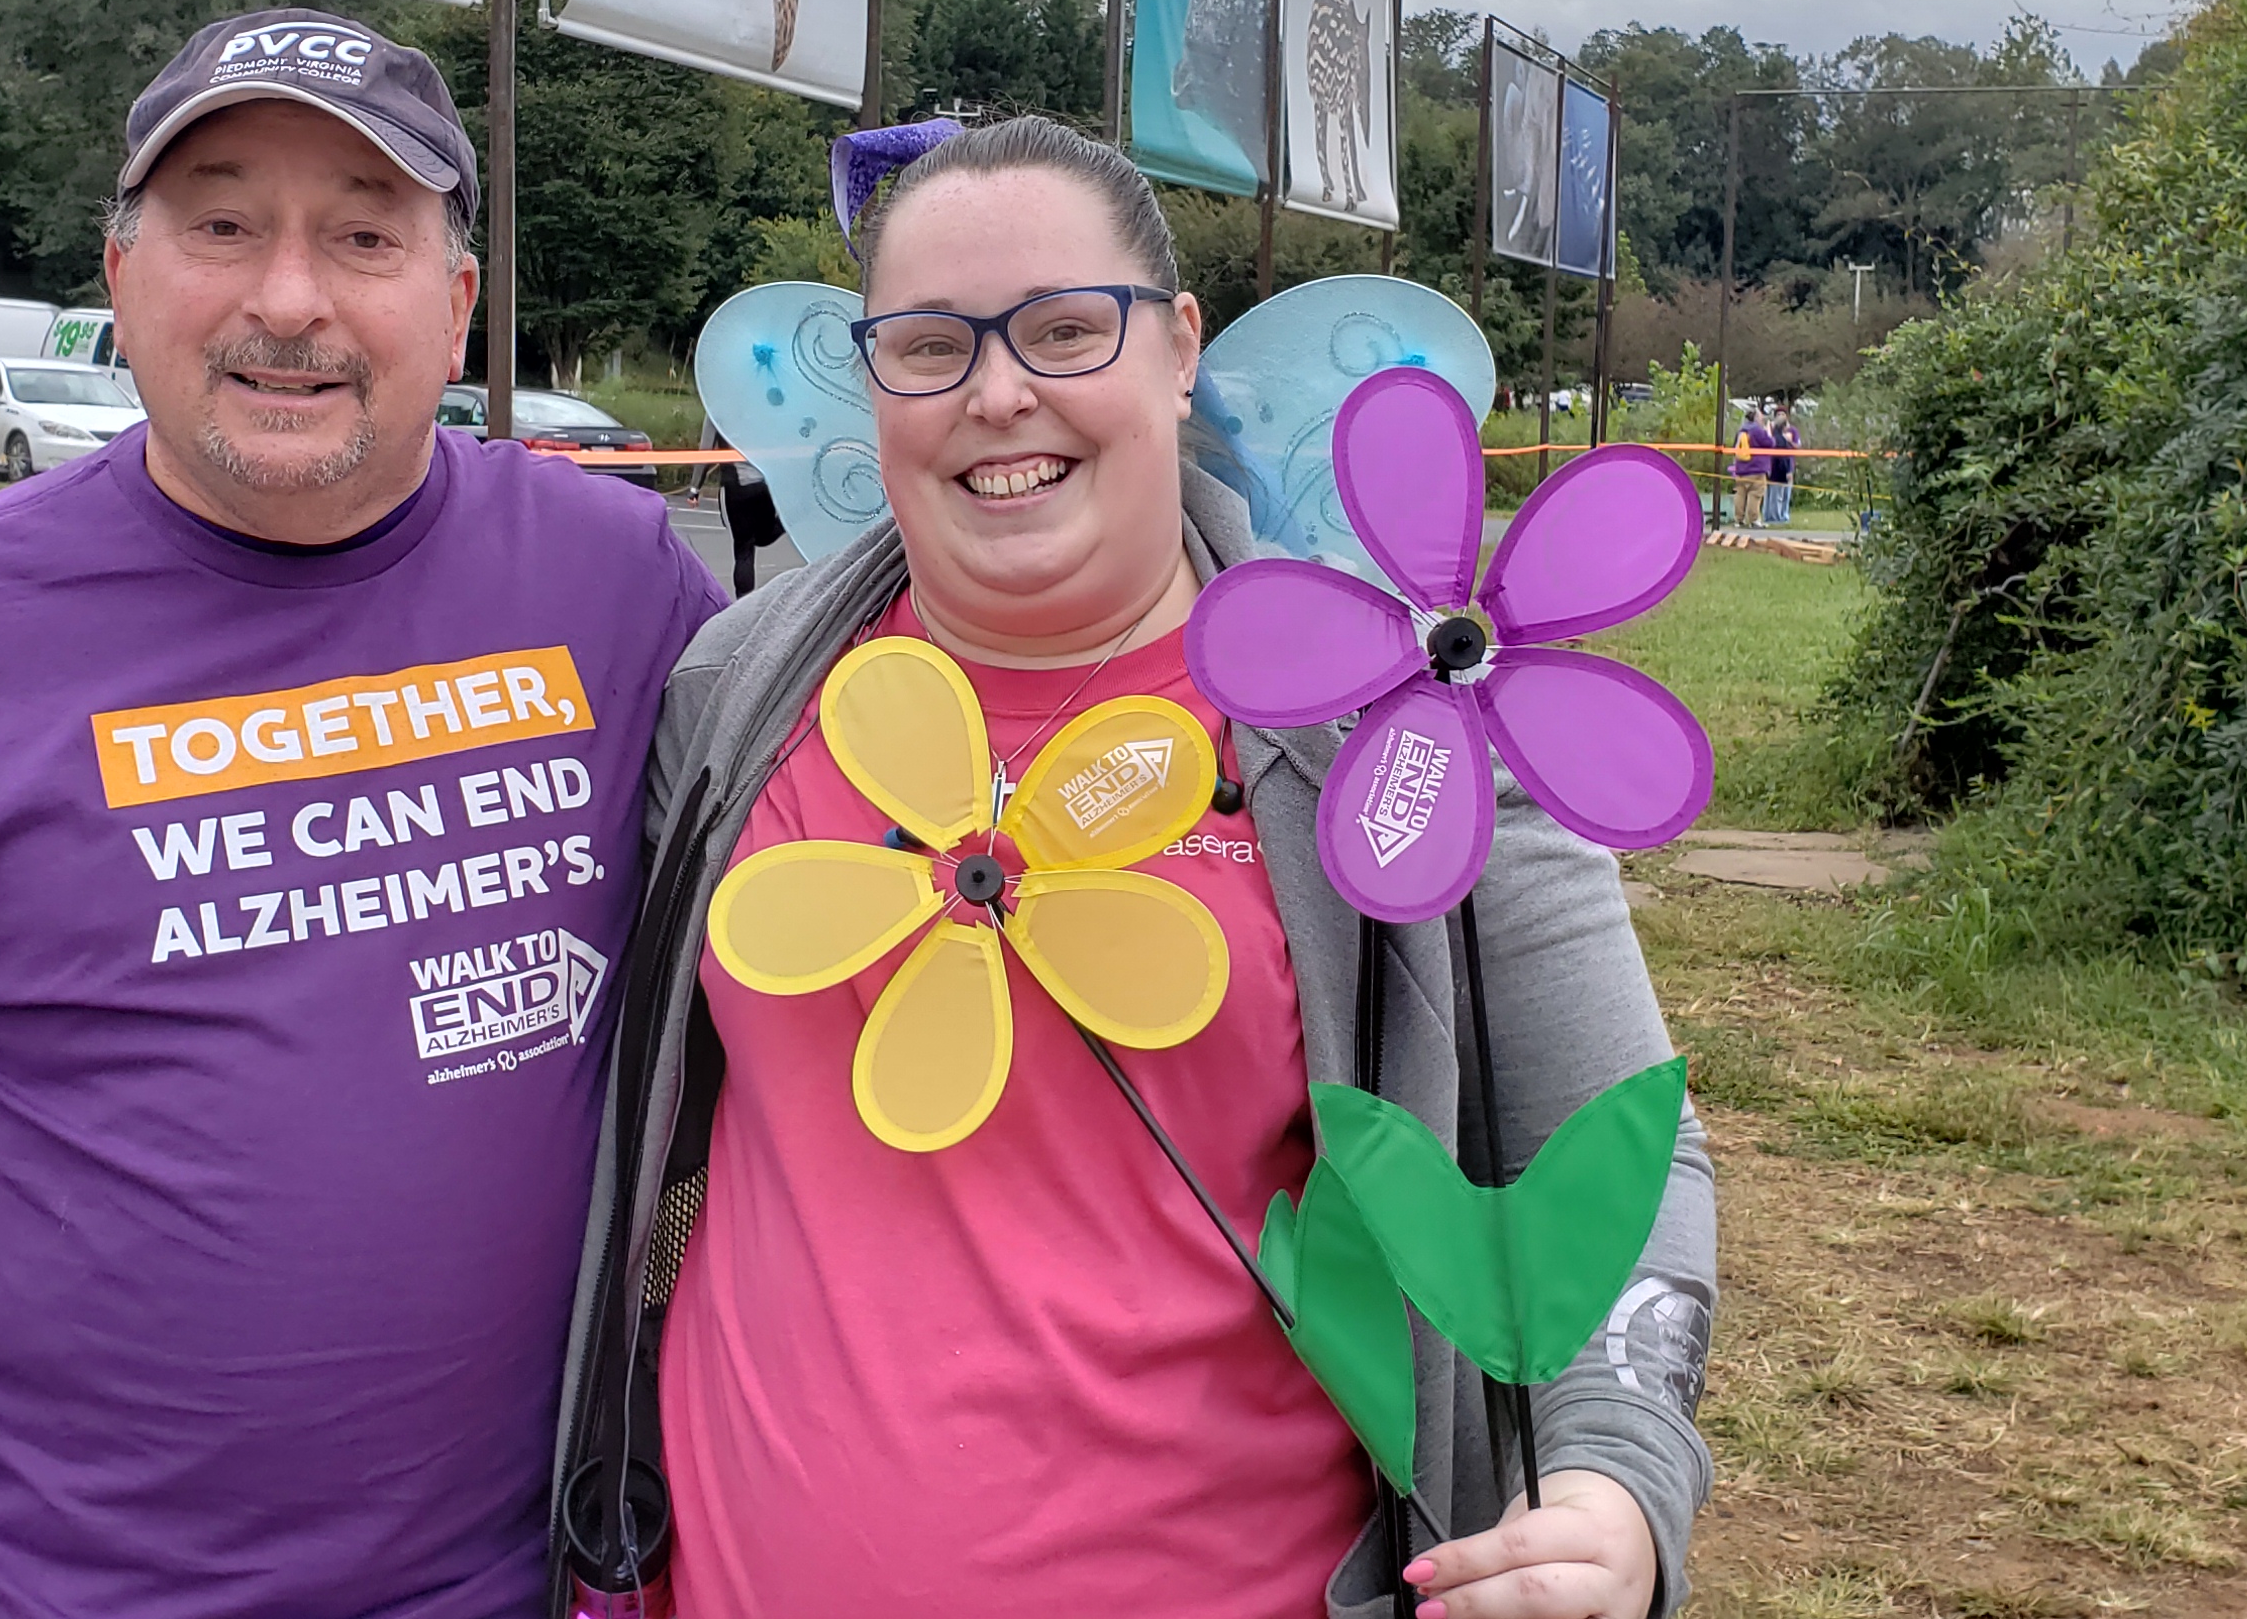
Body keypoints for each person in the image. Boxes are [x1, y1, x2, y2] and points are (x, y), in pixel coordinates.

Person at [0, 8, 727, 1619]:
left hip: (540, 1580)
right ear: (122, 277)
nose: (292, 298)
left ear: (456, 298)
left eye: (365, 235)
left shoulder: (619, 585)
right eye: (223, 224)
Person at [548, 118, 1715, 1619]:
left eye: (1062, 330)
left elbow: (1616, 1154)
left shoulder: (1394, 721)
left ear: (1177, 347)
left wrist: (1619, 1480)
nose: (997, 392)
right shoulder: (738, 691)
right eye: (928, 346)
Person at [1728, 404, 1774, 530]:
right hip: (1756, 468)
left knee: (1740, 493)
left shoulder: (1741, 430)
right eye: (1760, 416)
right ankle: (1754, 520)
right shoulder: (1757, 430)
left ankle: (1739, 519)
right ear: (1755, 417)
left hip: (1741, 468)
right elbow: (1770, 443)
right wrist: (1768, 431)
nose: (1762, 418)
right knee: (1755, 493)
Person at [1766, 406, 1801, 527]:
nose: (1780, 416)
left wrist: (1789, 441)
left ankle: (1784, 515)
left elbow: (1797, 446)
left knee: (1786, 493)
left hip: (1788, 464)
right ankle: (1773, 516)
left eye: (1783, 414)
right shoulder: (1772, 429)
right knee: (1774, 493)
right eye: (1778, 414)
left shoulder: (1793, 431)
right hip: (1774, 465)